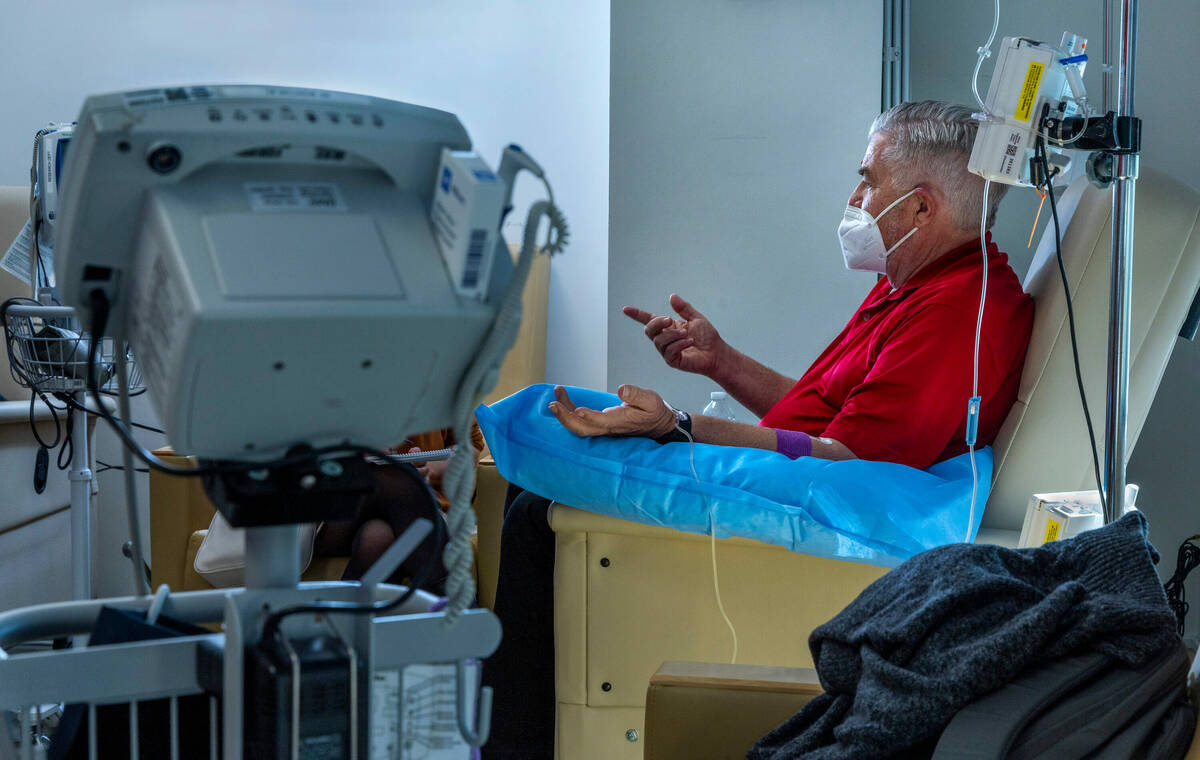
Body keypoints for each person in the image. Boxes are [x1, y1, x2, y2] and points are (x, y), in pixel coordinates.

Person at [481, 100, 1035, 760]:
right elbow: (820, 415)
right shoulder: (912, 285)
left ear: (920, 208)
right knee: (552, 461)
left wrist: (677, 426)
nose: (855, 197)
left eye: (867, 179)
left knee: (540, 508)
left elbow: (840, 458)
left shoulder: (955, 316)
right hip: (813, 468)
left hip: (834, 517)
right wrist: (722, 362)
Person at [313, 424, 484, 592]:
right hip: (326, 512)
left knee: (379, 536)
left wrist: (429, 468)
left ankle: (339, 616)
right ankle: (451, 598)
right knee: (397, 477)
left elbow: (470, 445)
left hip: (414, 509)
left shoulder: (443, 396)